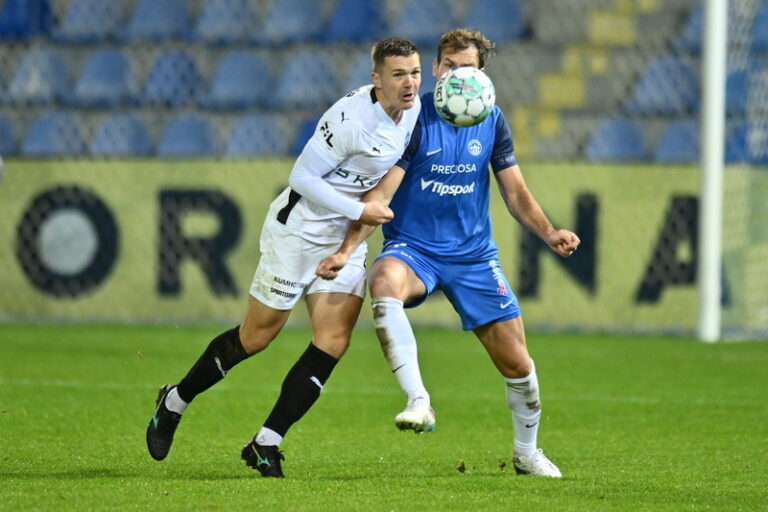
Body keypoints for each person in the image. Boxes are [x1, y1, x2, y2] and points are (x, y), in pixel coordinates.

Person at [146, 37, 423, 478]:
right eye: (398, 75)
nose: (410, 83)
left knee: (333, 339)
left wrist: (352, 233)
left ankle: (266, 442)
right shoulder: (351, 120)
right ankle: (175, 400)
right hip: (298, 232)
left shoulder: (413, 111)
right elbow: (302, 177)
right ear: (376, 79)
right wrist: (358, 210)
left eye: (415, 73)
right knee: (257, 337)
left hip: (343, 237)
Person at [316, 28, 580, 478]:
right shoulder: (413, 120)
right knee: (383, 281)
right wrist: (346, 250)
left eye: (467, 68)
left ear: (483, 74)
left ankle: (527, 453)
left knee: (518, 363)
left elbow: (515, 192)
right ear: (436, 69)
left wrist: (550, 232)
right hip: (414, 249)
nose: (457, 76)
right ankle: (418, 399)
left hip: (474, 257)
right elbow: (382, 195)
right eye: (449, 66)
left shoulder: (492, 120)